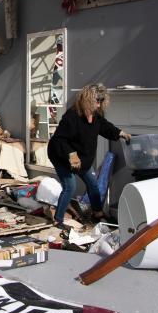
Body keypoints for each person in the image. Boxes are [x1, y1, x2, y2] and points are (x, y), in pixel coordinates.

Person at [47, 83, 131, 227]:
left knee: (93, 185)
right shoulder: (72, 116)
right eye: (96, 101)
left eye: (100, 101)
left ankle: (97, 213)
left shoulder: (96, 115)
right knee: (70, 186)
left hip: (83, 159)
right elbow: (60, 140)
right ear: (87, 99)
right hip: (61, 155)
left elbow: (105, 126)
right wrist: (72, 156)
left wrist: (120, 133)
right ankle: (58, 220)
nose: (98, 105)